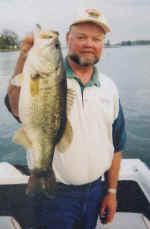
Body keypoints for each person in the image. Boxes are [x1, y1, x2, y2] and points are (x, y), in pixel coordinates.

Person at [5, 8, 126, 229]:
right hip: (55, 195)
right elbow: (15, 107)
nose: (89, 43)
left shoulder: (110, 87)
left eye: (96, 38)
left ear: (103, 44)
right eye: (81, 37)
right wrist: (24, 57)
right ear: (68, 39)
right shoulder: (47, 75)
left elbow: (117, 143)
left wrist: (111, 191)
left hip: (95, 193)